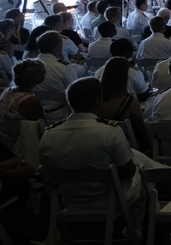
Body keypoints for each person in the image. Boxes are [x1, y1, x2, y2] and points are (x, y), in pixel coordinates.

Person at [38, 78, 144, 220]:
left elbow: (49, 171)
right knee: (142, 173)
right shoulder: (110, 131)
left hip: (70, 202)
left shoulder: (48, 135)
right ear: (97, 101)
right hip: (109, 200)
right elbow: (128, 172)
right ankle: (138, 227)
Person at [96, 57, 148, 150]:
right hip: (127, 146)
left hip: (102, 144)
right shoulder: (129, 101)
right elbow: (140, 129)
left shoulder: (95, 100)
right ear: (124, 76)